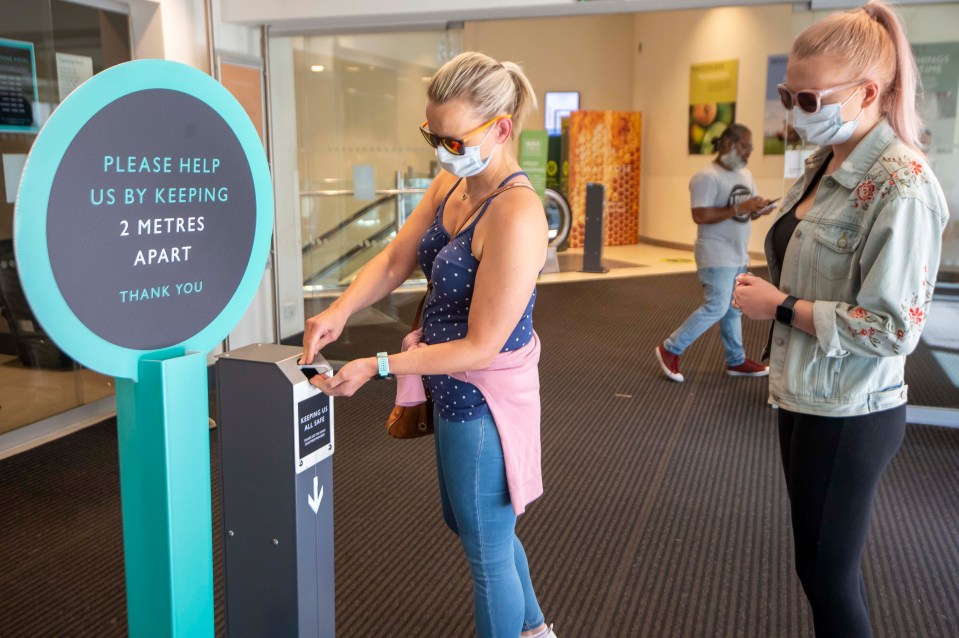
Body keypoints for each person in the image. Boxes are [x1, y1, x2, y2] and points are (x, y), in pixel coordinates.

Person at [301, 52, 557, 638]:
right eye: (432, 135)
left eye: (452, 138)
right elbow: (395, 258)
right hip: (447, 383)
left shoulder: (517, 214)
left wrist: (378, 364)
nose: (441, 150)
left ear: (500, 129)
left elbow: (481, 346)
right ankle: (537, 629)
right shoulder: (455, 180)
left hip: (482, 394)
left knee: (486, 555)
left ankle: (529, 629)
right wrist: (340, 312)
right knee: (475, 526)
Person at [733, 2, 949, 636]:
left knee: (828, 578)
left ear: (868, 93)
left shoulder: (902, 184)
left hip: (852, 409)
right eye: (786, 95)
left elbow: (893, 329)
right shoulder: (825, 162)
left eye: (807, 98)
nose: (793, 112)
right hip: (805, 393)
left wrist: (782, 308)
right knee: (817, 569)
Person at [655, 124, 774, 382]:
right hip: (715, 254)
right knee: (717, 306)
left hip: (738, 253)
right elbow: (700, 215)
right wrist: (741, 207)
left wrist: (758, 209)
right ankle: (670, 348)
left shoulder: (746, 175)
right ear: (729, 144)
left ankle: (736, 360)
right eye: (746, 147)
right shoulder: (706, 177)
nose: (748, 153)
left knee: (733, 309)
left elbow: (746, 211)